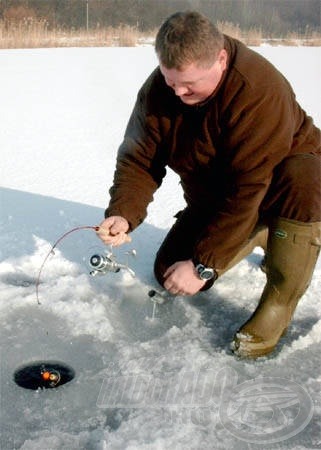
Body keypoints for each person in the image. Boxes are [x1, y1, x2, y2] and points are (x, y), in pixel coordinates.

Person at [97, 11, 321, 358]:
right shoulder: (160, 90)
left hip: (278, 188)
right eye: (172, 81)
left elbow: (248, 189)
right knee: (168, 274)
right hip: (218, 198)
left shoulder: (258, 90)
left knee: (306, 174)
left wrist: (204, 264)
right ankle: (259, 233)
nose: (179, 92)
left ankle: (280, 297)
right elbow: (139, 158)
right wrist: (123, 213)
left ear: (220, 59)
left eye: (190, 84)